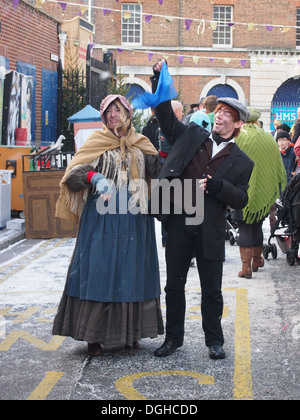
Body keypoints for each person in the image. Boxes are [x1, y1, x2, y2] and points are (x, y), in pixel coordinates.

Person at [150, 59, 254, 360]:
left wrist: (218, 187)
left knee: (211, 289)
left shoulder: (242, 162)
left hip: (210, 229)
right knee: (174, 286)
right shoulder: (192, 134)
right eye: (219, 111)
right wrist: (159, 79)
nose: (220, 116)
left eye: (228, 115)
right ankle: (173, 339)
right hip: (179, 223)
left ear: (237, 125)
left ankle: (214, 341)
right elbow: (166, 116)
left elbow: (242, 199)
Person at [53, 94, 164, 356]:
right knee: (99, 272)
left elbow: (159, 171)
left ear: (127, 112)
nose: (113, 115)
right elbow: (72, 176)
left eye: (117, 110)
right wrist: (95, 177)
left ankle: (130, 333)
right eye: (108, 112)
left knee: (132, 273)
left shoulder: (142, 143)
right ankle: (93, 336)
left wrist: (167, 145)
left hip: (137, 220)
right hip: (102, 220)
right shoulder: (96, 142)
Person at [234, 109, 287, 278]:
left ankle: (246, 267)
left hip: (241, 190)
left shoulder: (238, 137)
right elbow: (278, 166)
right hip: (263, 191)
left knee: (244, 227)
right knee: (256, 224)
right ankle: (257, 260)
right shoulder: (268, 138)